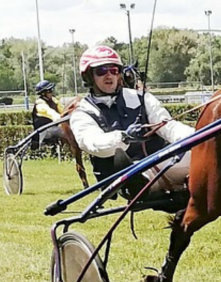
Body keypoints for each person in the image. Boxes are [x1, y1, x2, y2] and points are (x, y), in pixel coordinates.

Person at [69, 45, 194, 201]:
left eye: (114, 70)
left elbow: (168, 126)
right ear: (89, 76)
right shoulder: (82, 112)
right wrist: (124, 137)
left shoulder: (141, 98)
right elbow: (92, 142)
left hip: (162, 163)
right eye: (101, 71)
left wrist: (196, 136)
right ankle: (140, 183)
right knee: (133, 171)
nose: (109, 76)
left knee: (200, 154)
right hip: (122, 175)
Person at [30, 80, 64, 150]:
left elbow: (63, 110)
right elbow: (52, 114)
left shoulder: (54, 100)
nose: (52, 92)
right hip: (43, 133)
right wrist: (60, 118)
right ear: (43, 93)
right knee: (61, 131)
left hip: (52, 129)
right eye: (49, 91)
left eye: (52, 90)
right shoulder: (40, 104)